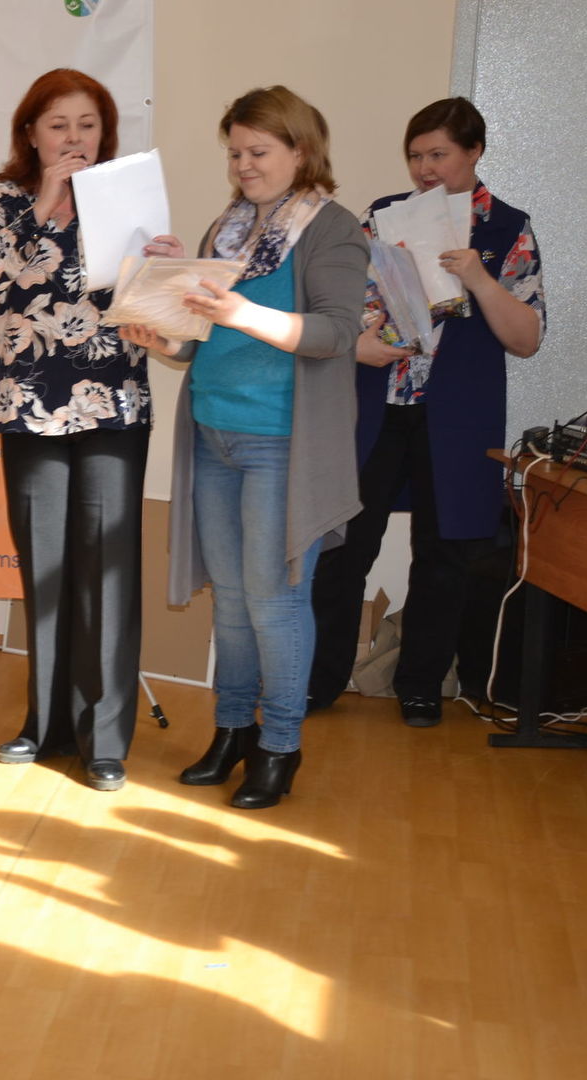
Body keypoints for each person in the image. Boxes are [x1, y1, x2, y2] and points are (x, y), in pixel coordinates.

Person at [133, 85, 368, 809]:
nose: (242, 165)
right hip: (213, 433)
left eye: (258, 152)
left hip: (282, 445)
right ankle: (233, 730)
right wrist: (162, 322)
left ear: (302, 150)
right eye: (235, 152)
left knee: (274, 603)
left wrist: (240, 311)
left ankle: (280, 746)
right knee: (232, 602)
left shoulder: (334, 229)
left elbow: (335, 332)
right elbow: (196, 341)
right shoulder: (227, 228)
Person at [306, 97, 547, 727]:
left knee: (443, 555)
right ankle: (320, 679)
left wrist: (480, 280)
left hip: (456, 416)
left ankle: (419, 685)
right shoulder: (383, 216)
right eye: (415, 156)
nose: (425, 169)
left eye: (438, 154)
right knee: (345, 546)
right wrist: (362, 336)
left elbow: (527, 338)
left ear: (474, 151)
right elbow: (341, 305)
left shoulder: (507, 228)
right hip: (378, 405)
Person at [0, 68, 150, 793]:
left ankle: (105, 739)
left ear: (106, 133)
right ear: (31, 133)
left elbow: (149, 301)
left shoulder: (127, 197)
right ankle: (44, 726)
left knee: (108, 571)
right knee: (44, 569)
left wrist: (160, 267)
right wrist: (43, 203)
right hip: (30, 405)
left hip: (113, 403)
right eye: (59, 125)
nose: (74, 138)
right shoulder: (0, 201)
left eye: (88, 125)